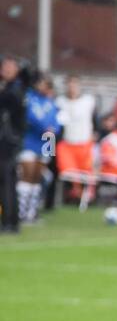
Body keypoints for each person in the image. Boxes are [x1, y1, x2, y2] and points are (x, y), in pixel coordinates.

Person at [18, 71, 57, 224]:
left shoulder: (50, 102)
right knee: (26, 175)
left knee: (38, 177)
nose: (45, 87)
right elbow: (32, 117)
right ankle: (20, 212)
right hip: (30, 142)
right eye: (43, 83)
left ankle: (32, 213)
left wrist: (52, 131)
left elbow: (56, 122)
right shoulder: (29, 97)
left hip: (47, 142)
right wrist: (45, 127)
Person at [0, 55, 25, 234]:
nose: (5, 71)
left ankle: (9, 222)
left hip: (9, 143)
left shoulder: (15, 90)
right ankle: (10, 220)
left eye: (9, 68)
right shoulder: (13, 89)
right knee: (8, 181)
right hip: (12, 141)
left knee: (7, 181)